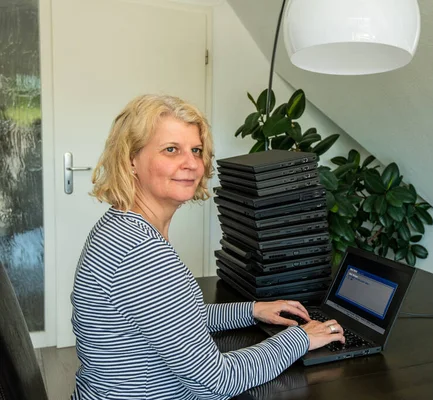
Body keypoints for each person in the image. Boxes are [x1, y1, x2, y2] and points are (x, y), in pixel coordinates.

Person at [70, 94, 345, 400]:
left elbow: (173, 317)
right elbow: (216, 383)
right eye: (171, 149)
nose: (191, 163)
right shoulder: (141, 255)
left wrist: (252, 311)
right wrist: (300, 338)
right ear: (131, 160)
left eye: (196, 150)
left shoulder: (120, 227)